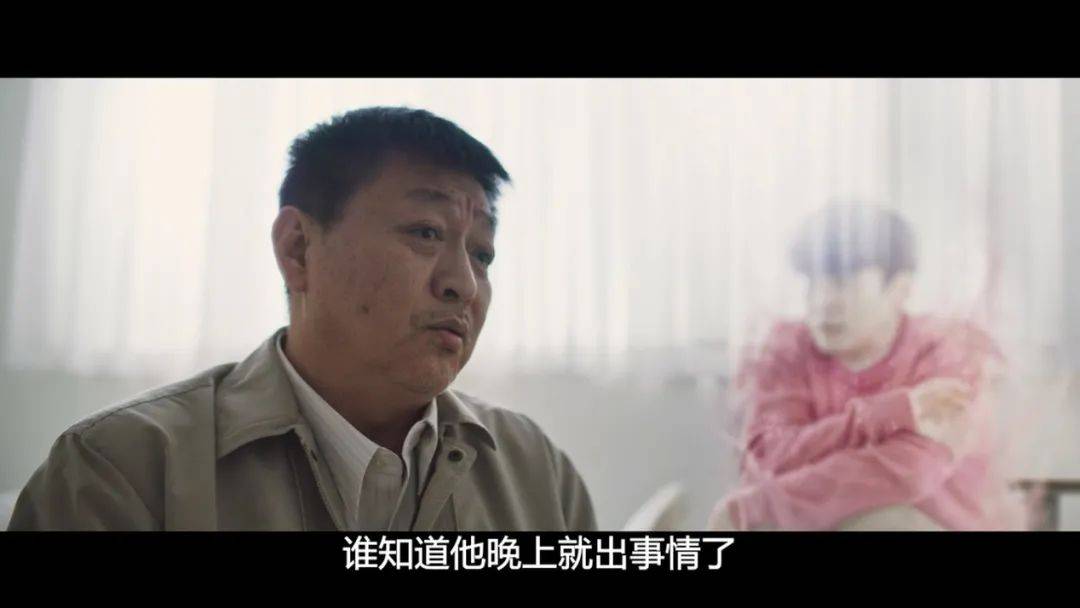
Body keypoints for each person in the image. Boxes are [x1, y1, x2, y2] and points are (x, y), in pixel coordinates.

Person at [9, 107, 597, 531]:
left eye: (482, 254)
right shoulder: (123, 469)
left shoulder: (535, 471)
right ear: (298, 248)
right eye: (425, 232)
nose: (463, 284)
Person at [709, 204, 1021, 531]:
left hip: (927, 524)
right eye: (813, 283)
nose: (823, 302)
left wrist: (763, 505)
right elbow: (769, 456)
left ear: (899, 289)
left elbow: (913, 470)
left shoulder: (948, 349)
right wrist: (887, 415)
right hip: (807, 522)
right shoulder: (786, 347)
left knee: (886, 520)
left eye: (843, 284)